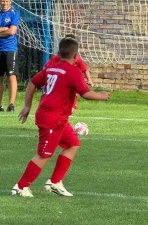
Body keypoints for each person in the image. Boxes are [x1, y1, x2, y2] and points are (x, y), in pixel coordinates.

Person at [12, 36, 110, 198]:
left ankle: (55, 182)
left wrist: (28, 105)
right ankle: (20, 187)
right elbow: (85, 93)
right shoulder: (73, 71)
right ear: (75, 56)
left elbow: (32, 83)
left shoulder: (52, 67)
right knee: (44, 154)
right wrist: (101, 95)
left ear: (59, 53)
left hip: (57, 118)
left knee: (73, 144)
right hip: (51, 118)